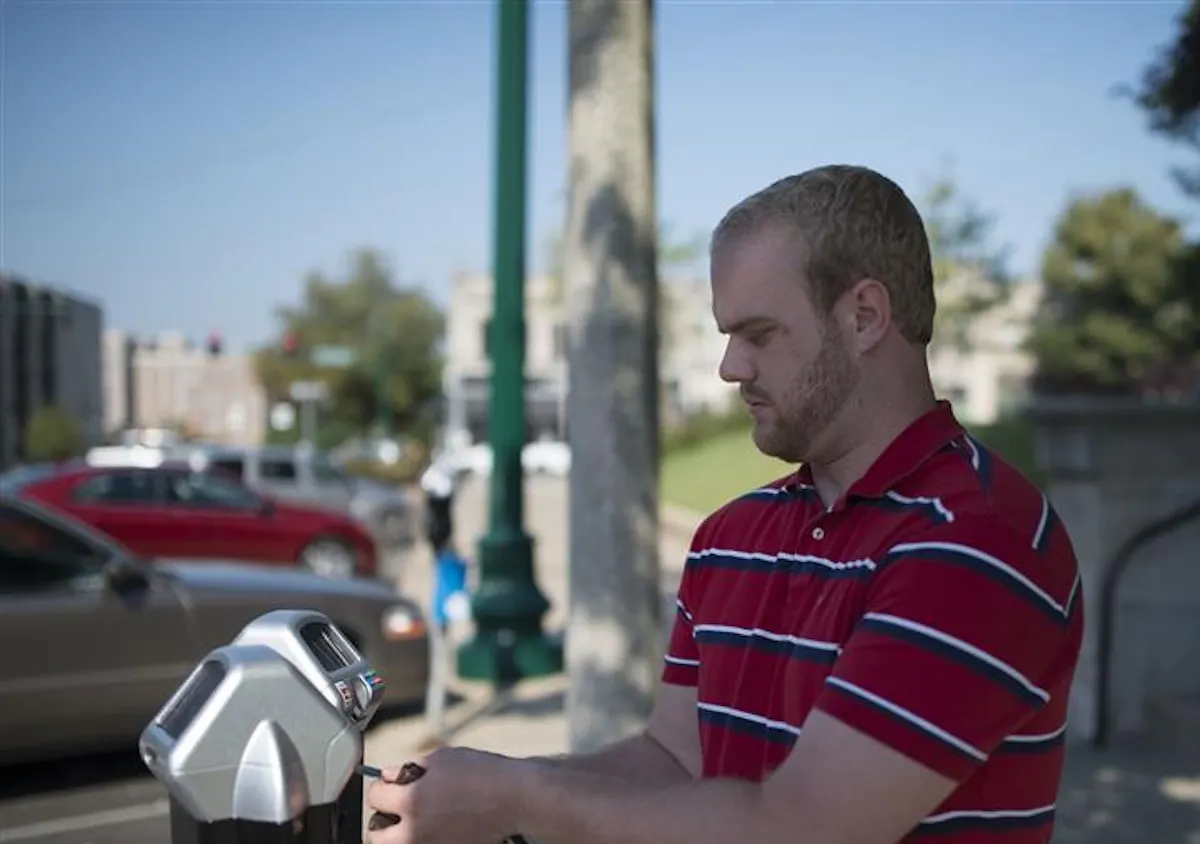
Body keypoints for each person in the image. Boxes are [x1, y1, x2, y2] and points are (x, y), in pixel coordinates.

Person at [367, 164, 1085, 844]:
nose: (729, 367)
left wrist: (516, 800)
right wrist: (479, 789)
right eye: (727, 336)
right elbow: (673, 762)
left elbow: (802, 830)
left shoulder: (977, 541)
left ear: (865, 316)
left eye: (759, 334)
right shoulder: (731, 536)